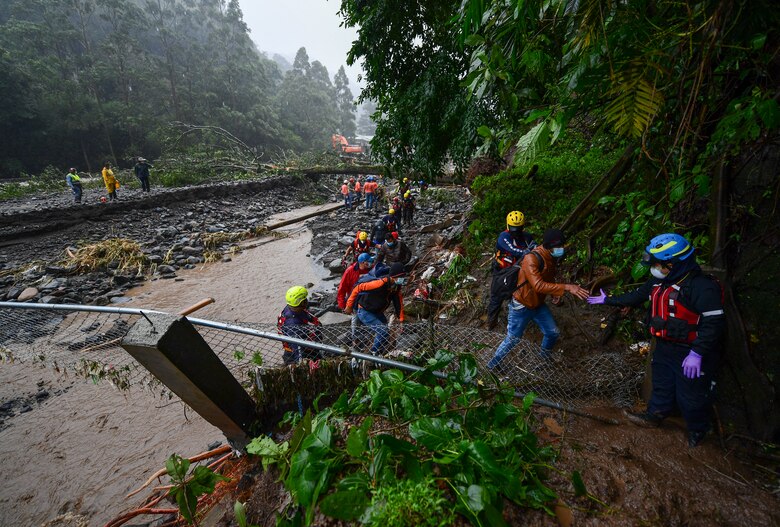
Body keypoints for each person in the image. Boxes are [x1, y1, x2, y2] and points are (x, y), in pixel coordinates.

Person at [587, 233, 725, 447]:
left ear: (674, 263)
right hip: (664, 346)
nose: (656, 269)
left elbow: (714, 323)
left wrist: (697, 353)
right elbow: (638, 295)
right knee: (661, 385)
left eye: (660, 265)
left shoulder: (701, 287)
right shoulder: (660, 281)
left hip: (689, 352)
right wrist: (609, 300)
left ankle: (698, 432)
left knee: (691, 397)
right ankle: (654, 416)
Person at [487, 229, 589, 370]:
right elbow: (538, 285)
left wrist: (554, 293)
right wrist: (566, 287)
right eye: (558, 247)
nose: (561, 249)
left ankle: (543, 360)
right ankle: (493, 365)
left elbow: (548, 276)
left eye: (562, 246)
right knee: (512, 339)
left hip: (538, 304)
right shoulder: (532, 259)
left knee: (552, 332)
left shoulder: (551, 257)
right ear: (548, 246)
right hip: (521, 305)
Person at [486, 211, 537, 329]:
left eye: (518, 229)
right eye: (514, 228)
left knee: (519, 295)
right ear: (508, 226)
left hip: (519, 272)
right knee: (496, 297)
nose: (516, 232)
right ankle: (491, 322)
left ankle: (519, 320)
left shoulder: (527, 237)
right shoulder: (504, 237)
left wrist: (531, 251)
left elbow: (535, 248)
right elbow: (513, 249)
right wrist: (526, 252)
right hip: (501, 271)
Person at [345, 262, 407, 356]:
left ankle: (381, 350)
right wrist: (349, 306)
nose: (403, 279)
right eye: (401, 277)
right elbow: (358, 288)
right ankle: (373, 354)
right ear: (394, 277)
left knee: (385, 330)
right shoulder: (380, 283)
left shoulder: (396, 287)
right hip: (364, 310)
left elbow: (398, 302)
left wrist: (401, 319)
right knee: (383, 331)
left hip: (377, 311)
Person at [277, 286, 322, 365]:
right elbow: (298, 349)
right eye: (305, 299)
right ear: (301, 302)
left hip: (309, 347)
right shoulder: (293, 324)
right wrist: (302, 364)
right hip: (301, 354)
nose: (306, 301)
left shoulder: (291, 308)